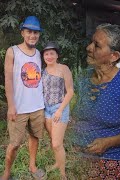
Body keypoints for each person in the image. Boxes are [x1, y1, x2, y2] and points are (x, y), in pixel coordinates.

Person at [72, 23, 120, 179]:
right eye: (91, 42)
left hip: (113, 164)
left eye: (97, 46)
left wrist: (109, 142)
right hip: (76, 162)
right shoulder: (81, 78)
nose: (89, 47)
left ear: (114, 56)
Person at [1, 16, 46, 180]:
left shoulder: (38, 53)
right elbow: (8, 79)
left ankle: (32, 166)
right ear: (22, 32)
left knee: (34, 137)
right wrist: (11, 105)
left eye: (36, 32)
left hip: (37, 106)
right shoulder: (12, 51)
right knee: (14, 144)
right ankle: (6, 172)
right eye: (29, 32)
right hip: (18, 107)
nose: (32, 35)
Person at [41, 41, 74, 179]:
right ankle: (57, 163)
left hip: (59, 108)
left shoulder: (63, 69)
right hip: (46, 109)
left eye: (52, 53)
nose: (49, 56)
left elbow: (70, 91)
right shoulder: (43, 71)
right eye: (46, 54)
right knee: (53, 140)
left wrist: (60, 110)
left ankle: (62, 174)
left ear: (57, 55)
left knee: (56, 143)